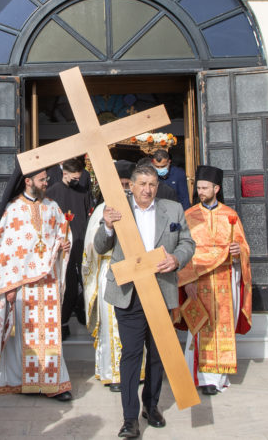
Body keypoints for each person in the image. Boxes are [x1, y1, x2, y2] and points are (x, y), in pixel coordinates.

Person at [93, 164, 196, 438]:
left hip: (161, 290)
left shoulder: (172, 210)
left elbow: (187, 242)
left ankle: (151, 406)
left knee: (158, 354)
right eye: (142, 184)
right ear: (132, 185)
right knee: (131, 355)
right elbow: (100, 247)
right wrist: (108, 226)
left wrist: (176, 259)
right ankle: (129, 419)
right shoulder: (118, 210)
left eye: (152, 184)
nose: (147, 190)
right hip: (128, 293)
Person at [0, 167, 74, 400]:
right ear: (28, 181)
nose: (46, 182)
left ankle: (52, 384)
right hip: (21, 286)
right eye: (42, 179)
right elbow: (6, 253)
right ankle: (18, 381)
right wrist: (8, 286)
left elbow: (62, 234)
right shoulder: (13, 210)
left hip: (47, 282)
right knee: (22, 337)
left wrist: (63, 245)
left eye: (46, 179)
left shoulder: (52, 207)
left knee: (49, 334)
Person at [177, 165, 252, 394]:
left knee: (221, 328)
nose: (200, 191)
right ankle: (196, 376)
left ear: (216, 188)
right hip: (197, 281)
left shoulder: (230, 215)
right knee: (199, 326)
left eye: (205, 187)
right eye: (198, 187)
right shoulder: (189, 216)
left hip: (223, 282)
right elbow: (184, 251)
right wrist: (187, 281)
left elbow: (244, 247)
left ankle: (215, 379)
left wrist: (239, 251)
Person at [82, 160, 134, 391]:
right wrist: (108, 228)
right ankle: (114, 374)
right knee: (111, 324)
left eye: (127, 184)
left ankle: (135, 371)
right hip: (108, 272)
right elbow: (92, 247)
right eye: (119, 183)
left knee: (132, 324)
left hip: (134, 272)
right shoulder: (101, 211)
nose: (123, 188)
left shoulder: (138, 209)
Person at [46, 157, 93, 338]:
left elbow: (88, 213)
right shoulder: (52, 193)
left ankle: (85, 314)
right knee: (68, 286)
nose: (77, 182)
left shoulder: (83, 191)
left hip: (82, 242)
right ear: (64, 174)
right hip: (62, 246)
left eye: (78, 178)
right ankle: (63, 323)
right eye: (73, 178)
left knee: (86, 282)